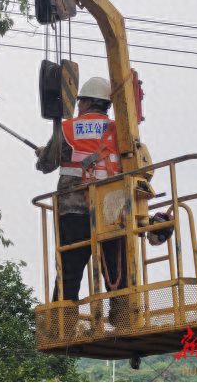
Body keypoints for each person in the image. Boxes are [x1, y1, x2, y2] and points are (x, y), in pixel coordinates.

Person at [35, 76, 128, 325]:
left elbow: (46, 165)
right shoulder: (122, 130)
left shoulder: (67, 129)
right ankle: (125, 320)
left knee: (70, 271)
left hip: (73, 210)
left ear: (86, 102)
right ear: (106, 104)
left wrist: (43, 155)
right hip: (112, 210)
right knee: (117, 271)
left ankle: (62, 326)